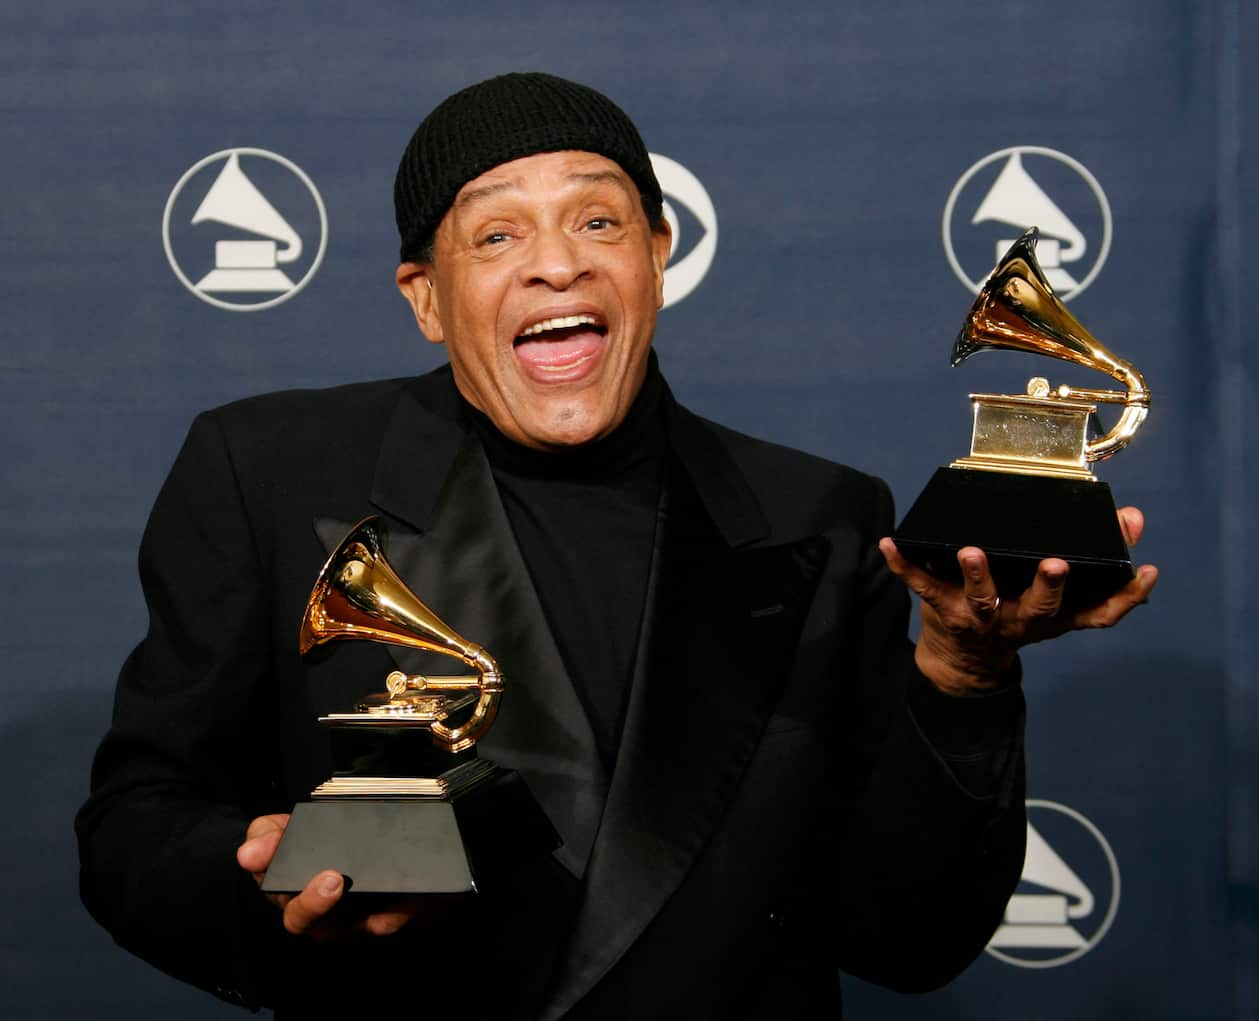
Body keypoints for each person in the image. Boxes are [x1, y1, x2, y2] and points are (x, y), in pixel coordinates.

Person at [76, 72, 1157, 1019]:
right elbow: (134, 830)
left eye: (595, 222)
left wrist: (963, 672)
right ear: (426, 301)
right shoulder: (266, 471)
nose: (555, 266)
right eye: (496, 233)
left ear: (656, 254)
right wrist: (262, 875)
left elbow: (906, 939)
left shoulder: (820, 515)